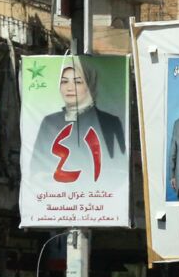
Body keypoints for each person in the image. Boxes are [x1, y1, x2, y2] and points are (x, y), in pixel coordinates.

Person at [29, 58, 125, 187]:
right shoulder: (50, 122)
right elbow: (36, 169)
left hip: (96, 198)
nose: (69, 88)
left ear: (90, 86)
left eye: (77, 82)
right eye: (64, 82)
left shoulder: (109, 123)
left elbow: (119, 169)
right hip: (56, 197)